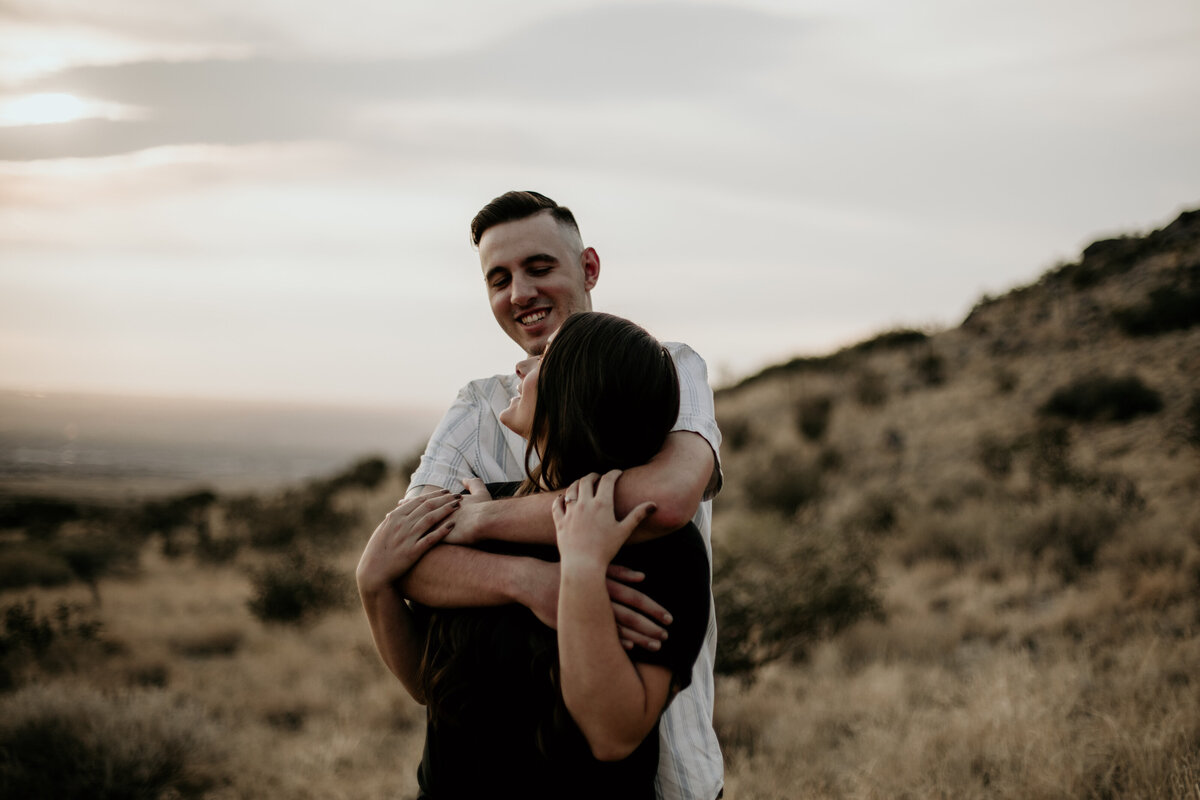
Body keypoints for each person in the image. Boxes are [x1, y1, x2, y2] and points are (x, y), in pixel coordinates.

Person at [387, 191, 724, 799]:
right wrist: (534, 583)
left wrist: (483, 524)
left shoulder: (666, 369)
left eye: (539, 268)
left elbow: (667, 499)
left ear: (588, 268)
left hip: (660, 764)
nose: (519, 293)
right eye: (499, 278)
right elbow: (404, 555)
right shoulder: (477, 406)